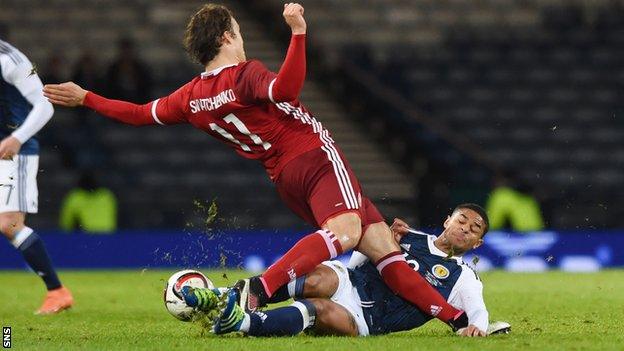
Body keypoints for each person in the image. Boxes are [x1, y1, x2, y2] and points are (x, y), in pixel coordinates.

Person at [43, 3, 467, 329]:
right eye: (241, 31)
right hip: (314, 157)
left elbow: (137, 113)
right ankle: (257, 290)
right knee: (348, 232)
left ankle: (456, 320)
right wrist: (298, 33)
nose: (243, 38)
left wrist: (86, 98)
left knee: (382, 249)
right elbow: (286, 89)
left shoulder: (190, 97)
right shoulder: (243, 75)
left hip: (284, 177)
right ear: (228, 35)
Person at [185, 204, 503, 337]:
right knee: (319, 275)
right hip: (350, 281)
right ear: (448, 220)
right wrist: (386, 243)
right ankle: (221, 297)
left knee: (318, 309)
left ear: (477, 244)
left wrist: (475, 328)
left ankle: (240, 322)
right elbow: (358, 262)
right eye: (462, 220)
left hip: (367, 319)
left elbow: (477, 313)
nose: (465, 228)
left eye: (474, 229)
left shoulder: (463, 278)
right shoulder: (408, 235)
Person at [0, 31, 73, 314]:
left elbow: (45, 105)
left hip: (13, 150)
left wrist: (17, 138)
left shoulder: (11, 60)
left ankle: (57, 291)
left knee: (10, 224)